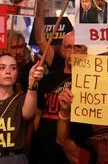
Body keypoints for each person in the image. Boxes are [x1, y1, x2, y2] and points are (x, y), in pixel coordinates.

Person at [31, 31, 85, 164]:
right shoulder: (49, 79)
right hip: (44, 150)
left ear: (84, 50)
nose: (73, 51)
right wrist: (31, 143)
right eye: (69, 47)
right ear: (62, 50)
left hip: (72, 149)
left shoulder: (91, 80)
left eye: (77, 46)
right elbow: (38, 114)